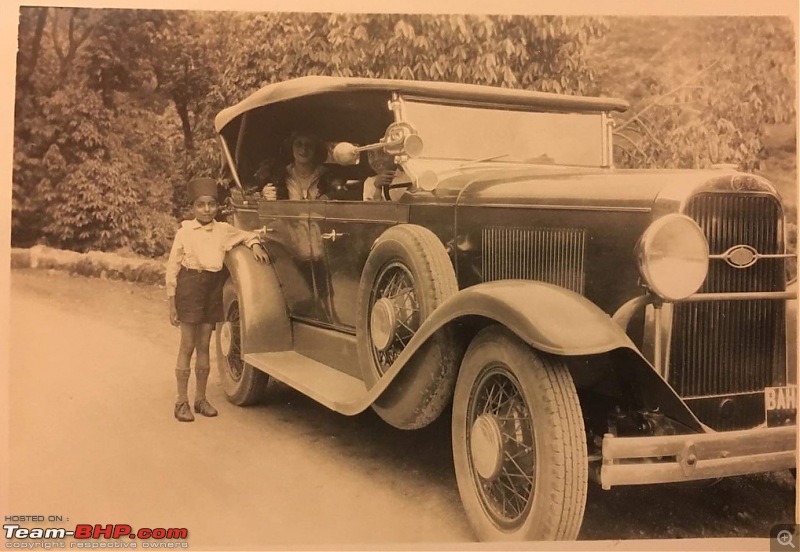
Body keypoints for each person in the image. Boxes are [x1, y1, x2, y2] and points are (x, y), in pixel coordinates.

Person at [165, 177, 269, 422]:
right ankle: (181, 401)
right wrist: (171, 301)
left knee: (204, 344)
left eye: (211, 204)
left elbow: (246, 235)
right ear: (193, 207)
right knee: (187, 345)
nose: (206, 209)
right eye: (201, 205)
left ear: (217, 206)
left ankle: (200, 400)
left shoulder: (223, 230)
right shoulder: (185, 232)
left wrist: (254, 244)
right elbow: (172, 266)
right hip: (190, 287)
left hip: (212, 288)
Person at [262, 130, 342, 200]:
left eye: (309, 145)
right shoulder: (279, 177)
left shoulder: (328, 178)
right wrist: (265, 195)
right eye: (298, 144)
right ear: (291, 148)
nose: (303, 150)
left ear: (316, 149)